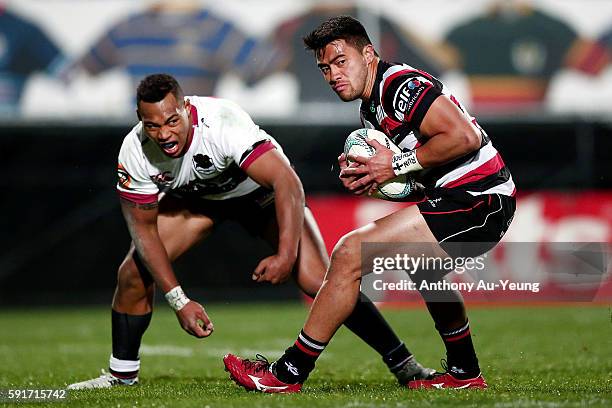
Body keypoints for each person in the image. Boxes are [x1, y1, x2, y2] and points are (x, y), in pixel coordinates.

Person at [66, 73, 434, 389]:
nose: (164, 133)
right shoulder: (134, 150)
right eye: (153, 125)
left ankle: (404, 365)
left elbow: (287, 183)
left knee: (319, 279)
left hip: (261, 197)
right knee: (132, 274)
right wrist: (179, 300)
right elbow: (143, 231)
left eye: (172, 121)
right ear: (139, 120)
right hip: (199, 204)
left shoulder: (222, 122)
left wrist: (285, 255)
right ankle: (121, 375)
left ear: (186, 107)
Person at [224, 16, 516, 392]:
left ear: (368, 54)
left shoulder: (398, 85)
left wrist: (392, 165)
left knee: (348, 252)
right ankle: (464, 373)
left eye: (341, 61)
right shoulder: (371, 108)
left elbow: (465, 136)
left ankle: (286, 374)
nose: (332, 75)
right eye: (324, 68)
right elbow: (420, 178)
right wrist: (377, 181)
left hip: (479, 198)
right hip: (467, 197)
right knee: (425, 271)